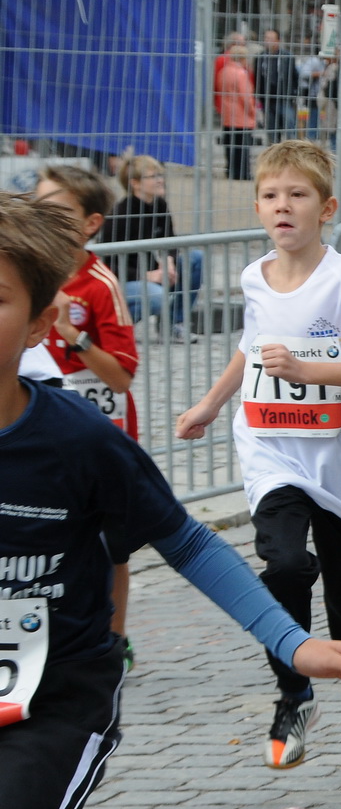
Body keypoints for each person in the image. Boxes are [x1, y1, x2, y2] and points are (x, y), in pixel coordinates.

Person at [0, 191, 341, 809]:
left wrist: (294, 641)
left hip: (57, 694)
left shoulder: (74, 441)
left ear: (35, 325)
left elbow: (185, 540)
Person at [175, 141, 341, 768]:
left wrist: (308, 368)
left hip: (338, 463)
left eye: (298, 195)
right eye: (272, 196)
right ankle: (293, 692)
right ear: (257, 206)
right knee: (281, 566)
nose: (284, 206)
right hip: (271, 446)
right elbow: (251, 348)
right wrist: (212, 403)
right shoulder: (254, 276)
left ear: (326, 207)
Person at [35, 166, 142, 669]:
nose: (45, 219)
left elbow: (121, 377)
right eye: (39, 207)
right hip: (39, 423)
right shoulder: (30, 272)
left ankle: (114, 639)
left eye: (58, 211)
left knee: (108, 541)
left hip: (100, 425)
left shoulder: (99, 283)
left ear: (91, 223)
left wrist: (70, 333)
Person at [103, 155, 201, 339]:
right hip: (124, 279)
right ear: (135, 183)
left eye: (160, 175)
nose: (160, 180)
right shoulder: (119, 215)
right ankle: (114, 333)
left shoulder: (159, 204)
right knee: (156, 296)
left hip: (149, 270)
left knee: (195, 258)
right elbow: (107, 265)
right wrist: (146, 276)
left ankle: (172, 325)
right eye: (153, 176)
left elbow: (170, 239)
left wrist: (169, 261)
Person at [215, 39, 258, 181]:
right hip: (241, 116)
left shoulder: (224, 71)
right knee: (243, 147)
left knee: (231, 146)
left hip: (227, 115)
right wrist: (253, 112)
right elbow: (246, 97)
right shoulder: (241, 74)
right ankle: (243, 173)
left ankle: (231, 171)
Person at [254, 29, 299, 147]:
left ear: (278, 41)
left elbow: (295, 76)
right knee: (272, 133)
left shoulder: (287, 56)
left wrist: (293, 93)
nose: (268, 41)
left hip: (285, 99)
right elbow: (258, 78)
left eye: (271, 39)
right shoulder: (260, 57)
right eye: (266, 38)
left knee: (289, 129)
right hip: (267, 100)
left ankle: (291, 154)